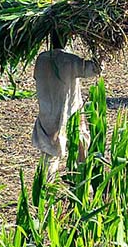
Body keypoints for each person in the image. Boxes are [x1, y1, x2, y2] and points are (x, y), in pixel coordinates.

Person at [31, 32, 101, 177]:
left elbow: (36, 76)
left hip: (47, 114)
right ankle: (81, 180)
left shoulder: (42, 59)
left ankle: (43, 187)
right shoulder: (68, 60)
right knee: (80, 146)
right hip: (70, 113)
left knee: (50, 152)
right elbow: (94, 69)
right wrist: (99, 49)